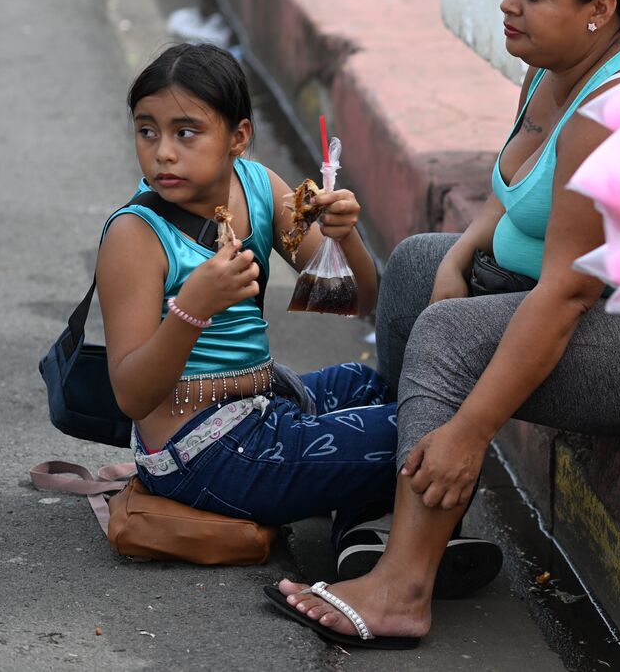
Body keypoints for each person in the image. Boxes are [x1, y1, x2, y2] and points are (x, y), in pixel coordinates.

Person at [267, 0, 620, 650]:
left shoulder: (613, 109)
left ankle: (404, 585)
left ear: (600, 9)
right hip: (593, 299)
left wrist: (467, 432)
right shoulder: (552, 66)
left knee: (450, 334)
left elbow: (565, 292)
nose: (510, 4)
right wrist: (463, 247)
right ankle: (393, 497)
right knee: (418, 266)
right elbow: (519, 187)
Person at [98, 44, 405, 561]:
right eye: (146, 131)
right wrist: (192, 308)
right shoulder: (135, 235)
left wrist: (344, 237)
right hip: (201, 449)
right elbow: (131, 396)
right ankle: (376, 526)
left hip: (262, 407)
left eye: (185, 132)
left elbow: (354, 301)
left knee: (379, 386)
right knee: (424, 426)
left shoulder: (260, 187)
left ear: (238, 137)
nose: (163, 152)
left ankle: (361, 532)